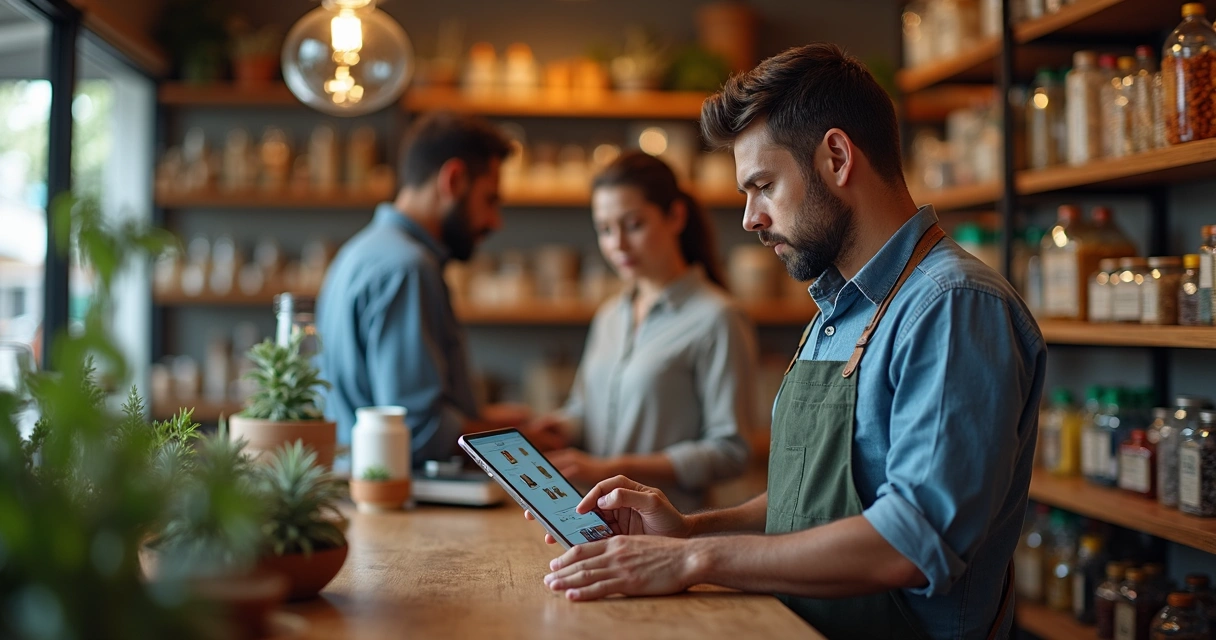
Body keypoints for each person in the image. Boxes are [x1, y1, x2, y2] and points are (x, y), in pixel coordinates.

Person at [530, 43, 1046, 640]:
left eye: (764, 185)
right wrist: (689, 530)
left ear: (836, 158)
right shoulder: (839, 307)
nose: (750, 217)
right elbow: (807, 503)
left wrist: (695, 559)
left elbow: (910, 541)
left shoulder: (953, 305)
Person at [526, 152, 758, 512]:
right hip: (598, 522)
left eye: (633, 225)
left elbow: (731, 451)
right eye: (605, 230)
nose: (617, 244)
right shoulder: (609, 316)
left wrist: (613, 469)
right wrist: (562, 427)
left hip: (672, 528)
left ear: (675, 216)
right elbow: (584, 407)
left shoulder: (717, 318)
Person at [317, 111, 523, 467]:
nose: (495, 222)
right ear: (453, 180)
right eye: (490, 200)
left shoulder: (359, 252)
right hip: (400, 491)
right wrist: (523, 444)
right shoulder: (407, 268)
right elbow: (418, 431)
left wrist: (497, 421)